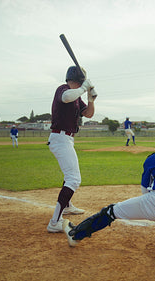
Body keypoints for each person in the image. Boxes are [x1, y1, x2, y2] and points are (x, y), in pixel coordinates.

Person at [62, 127, 155, 259]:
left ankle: (75, 235)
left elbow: (144, 188)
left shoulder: (152, 158)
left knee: (110, 211)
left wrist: (148, 207)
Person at [46, 66, 97, 233]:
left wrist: (90, 99)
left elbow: (88, 114)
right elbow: (66, 97)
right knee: (74, 179)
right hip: (60, 138)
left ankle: (66, 206)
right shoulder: (64, 89)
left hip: (67, 139)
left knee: (70, 175)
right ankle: (55, 222)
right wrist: (83, 89)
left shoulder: (77, 97)